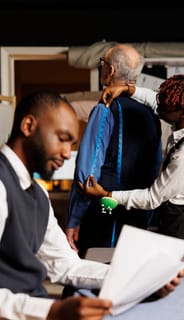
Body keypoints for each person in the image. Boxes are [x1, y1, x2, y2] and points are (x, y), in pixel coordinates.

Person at [0, 90, 184, 320]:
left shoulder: (37, 192)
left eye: (72, 144)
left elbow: (65, 265)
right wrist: (51, 312)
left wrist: (140, 279)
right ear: (29, 125)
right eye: (63, 139)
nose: (67, 154)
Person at [79, 74, 184, 249]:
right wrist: (127, 89)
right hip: (178, 215)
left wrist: (106, 195)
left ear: (182, 112)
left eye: (165, 108)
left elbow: (152, 198)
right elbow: (156, 101)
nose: (159, 109)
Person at [66, 44, 162, 256]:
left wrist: (74, 219)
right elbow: (155, 170)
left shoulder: (105, 108)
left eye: (103, 64)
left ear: (110, 71)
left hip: (104, 210)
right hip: (139, 213)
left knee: (96, 276)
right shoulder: (151, 114)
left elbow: (87, 174)